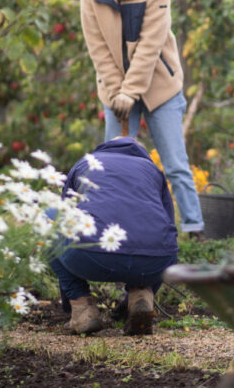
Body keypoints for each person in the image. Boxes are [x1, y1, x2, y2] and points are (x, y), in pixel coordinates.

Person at [79, 0, 204, 237]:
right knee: (113, 168)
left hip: (160, 85)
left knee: (175, 163)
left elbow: (151, 42)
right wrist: (118, 92)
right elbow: (96, 45)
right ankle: (117, 231)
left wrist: (131, 91)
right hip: (114, 90)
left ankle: (193, 229)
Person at [48, 136, 178, 335]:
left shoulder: (86, 162)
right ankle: (140, 297)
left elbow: (65, 210)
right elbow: (168, 225)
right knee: (154, 237)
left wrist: (69, 299)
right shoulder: (153, 170)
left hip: (89, 255)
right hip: (153, 262)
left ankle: (82, 309)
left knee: (48, 217)